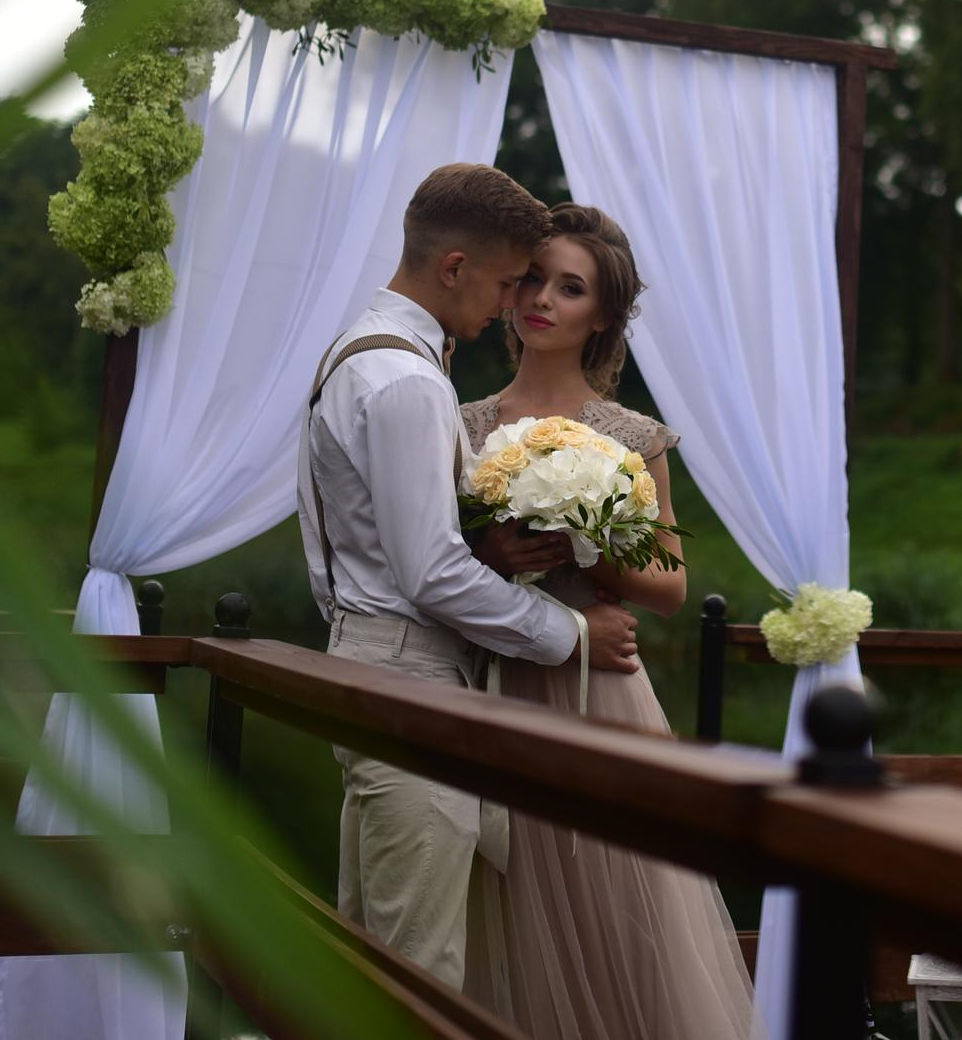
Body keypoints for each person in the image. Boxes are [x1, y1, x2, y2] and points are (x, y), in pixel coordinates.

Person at [299, 163, 643, 1005]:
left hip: (363, 658)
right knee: (419, 981)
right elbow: (429, 572)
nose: (506, 304)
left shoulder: (358, 353)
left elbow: (370, 545)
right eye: (502, 281)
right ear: (454, 266)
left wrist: (486, 546)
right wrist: (570, 633)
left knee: (373, 955)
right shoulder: (412, 381)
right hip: (411, 682)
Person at [459, 202, 763, 1040]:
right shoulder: (466, 425)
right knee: (501, 902)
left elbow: (669, 583)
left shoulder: (630, 438)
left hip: (603, 693)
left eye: (571, 287)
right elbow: (439, 562)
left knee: (618, 902)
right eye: (532, 279)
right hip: (491, 682)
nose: (540, 299)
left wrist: (587, 540)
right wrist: (491, 551)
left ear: (603, 315)